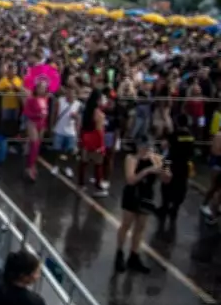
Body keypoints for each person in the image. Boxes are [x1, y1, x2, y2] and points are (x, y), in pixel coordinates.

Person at [115, 135, 171, 274]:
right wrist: (147, 171)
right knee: (126, 224)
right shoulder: (131, 159)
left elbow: (166, 179)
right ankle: (120, 253)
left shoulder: (156, 158)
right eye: (144, 147)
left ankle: (134, 255)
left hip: (146, 194)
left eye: (149, 147)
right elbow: (130, 180)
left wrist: (165, 168)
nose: (147, 150)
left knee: (140, 227)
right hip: (132, 193)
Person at [160, 114, 194, 227]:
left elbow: (165, 146)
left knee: (166, 185)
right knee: (181, 186)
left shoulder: (174, 134)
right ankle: (175, 208)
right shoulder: (190, 136)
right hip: (184, 165)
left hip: (171, 162)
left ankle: (165, 206)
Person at [78, 89, 107, 198]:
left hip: (86, 138)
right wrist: (101, 145)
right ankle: (98, 186)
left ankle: (81, 184)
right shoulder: (98, 113)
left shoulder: (87, 110)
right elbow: (99, 131)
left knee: (84, 162)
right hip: (95, 139)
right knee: (98, 164)